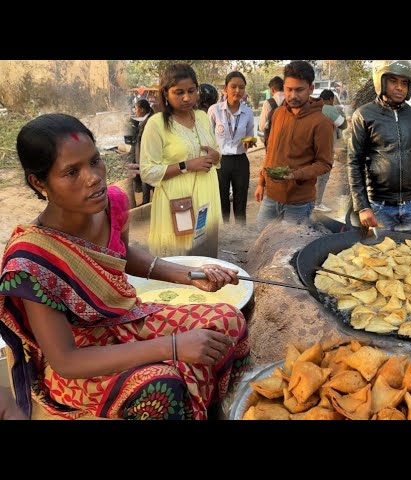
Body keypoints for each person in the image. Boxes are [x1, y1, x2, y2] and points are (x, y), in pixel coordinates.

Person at [0, 113, 249, 420]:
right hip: (80, 361)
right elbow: (66, 361)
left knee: (228, 322)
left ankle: (220, 411)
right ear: (39, 183)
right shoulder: (31, 260)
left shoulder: (113, 204)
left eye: (94, 161)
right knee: (161, 385)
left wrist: (189, 276)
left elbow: (122, 254)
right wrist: (171, 346)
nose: (93, 177)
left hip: (124, 320)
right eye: (71, 172)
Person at [139, 63, 223, 258]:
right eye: (179, 92)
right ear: (166, 93)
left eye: (191, 91)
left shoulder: (202, 117)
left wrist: (215, 156)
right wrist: (187, 165)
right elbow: (148, 171)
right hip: (178, 203)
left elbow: (217, 152)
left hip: (207, 198)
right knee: (180, 263)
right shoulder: (156, 124)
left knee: (205, 258)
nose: (187, 98)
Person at [348, 60, 411, 234]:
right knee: (380, 256)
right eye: (393, 81)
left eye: (404, 83)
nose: (399, 87)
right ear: (381, 81)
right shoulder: (364, 115)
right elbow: (354, 162)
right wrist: (362, 206)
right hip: (380, 205)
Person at [254, 61, 334, 231]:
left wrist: (296, 174)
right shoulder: (277, 114)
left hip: (299, 203)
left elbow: (325, 164)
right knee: (259, 241)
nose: (293, 95)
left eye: (299, 90)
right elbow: (271, 151)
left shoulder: (321, 123)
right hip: (271, 197)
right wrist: (262, 182)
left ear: (311, 88)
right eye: (289, 89)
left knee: (290, 250)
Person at [208, 71, 255, 226]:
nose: (237, 91)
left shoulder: (247, 112)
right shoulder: (214, 110)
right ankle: (225, 230)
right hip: (220, 161)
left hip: (241, 160)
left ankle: (241, 230)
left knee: (240, 198)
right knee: (221, 198)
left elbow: (249, 135)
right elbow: (208, 137)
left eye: (241, 87)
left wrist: (249, 142)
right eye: (233, 86)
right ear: (225, 89)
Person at [314, 89, 348, 213]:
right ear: (331, 99)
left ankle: (308, 201)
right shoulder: (329, 108)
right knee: (323, 176)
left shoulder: (313, 107)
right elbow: (343, 125)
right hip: (325, 148)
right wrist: (341, 113)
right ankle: (317, 203)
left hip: (310, 147)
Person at [128, 98, 155, 207]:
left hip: (148, 156)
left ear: (143, 110)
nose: (135, 112)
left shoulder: (150, 121)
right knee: (145, 179)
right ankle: (146, 202)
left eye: (137, 109)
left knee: (148, 179)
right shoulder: (144, 121)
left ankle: (147, 202)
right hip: (142, 155)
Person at [257, 76, 285, 148]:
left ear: (272, 89)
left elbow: (262, 126)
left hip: (273, 140)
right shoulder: (290, 100)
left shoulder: (268, 103)